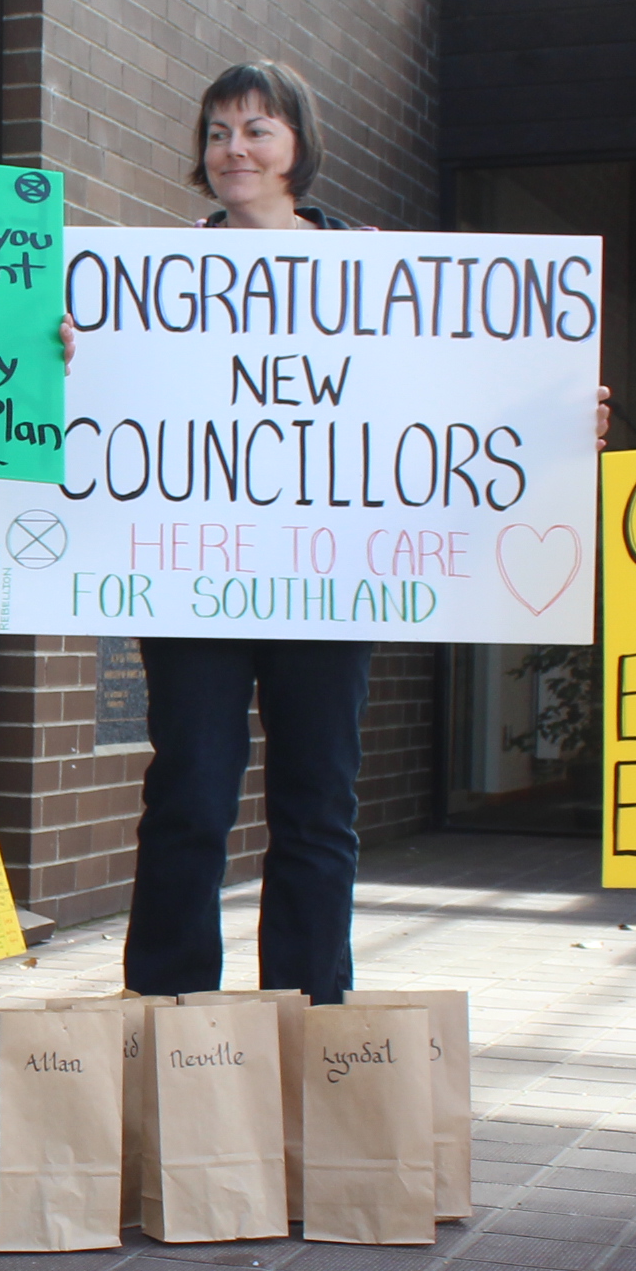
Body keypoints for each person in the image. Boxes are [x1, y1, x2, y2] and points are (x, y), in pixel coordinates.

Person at [120, 61, 380, 1006]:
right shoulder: (150, 280)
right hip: (196, 574)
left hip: (325, 573)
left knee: (317, 803)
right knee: (189, 789)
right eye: (218, 130)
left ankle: (309, 1022)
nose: (235, 149)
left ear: (297, 146)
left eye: (258, 129)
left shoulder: (379, 271)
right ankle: (168, 1014)